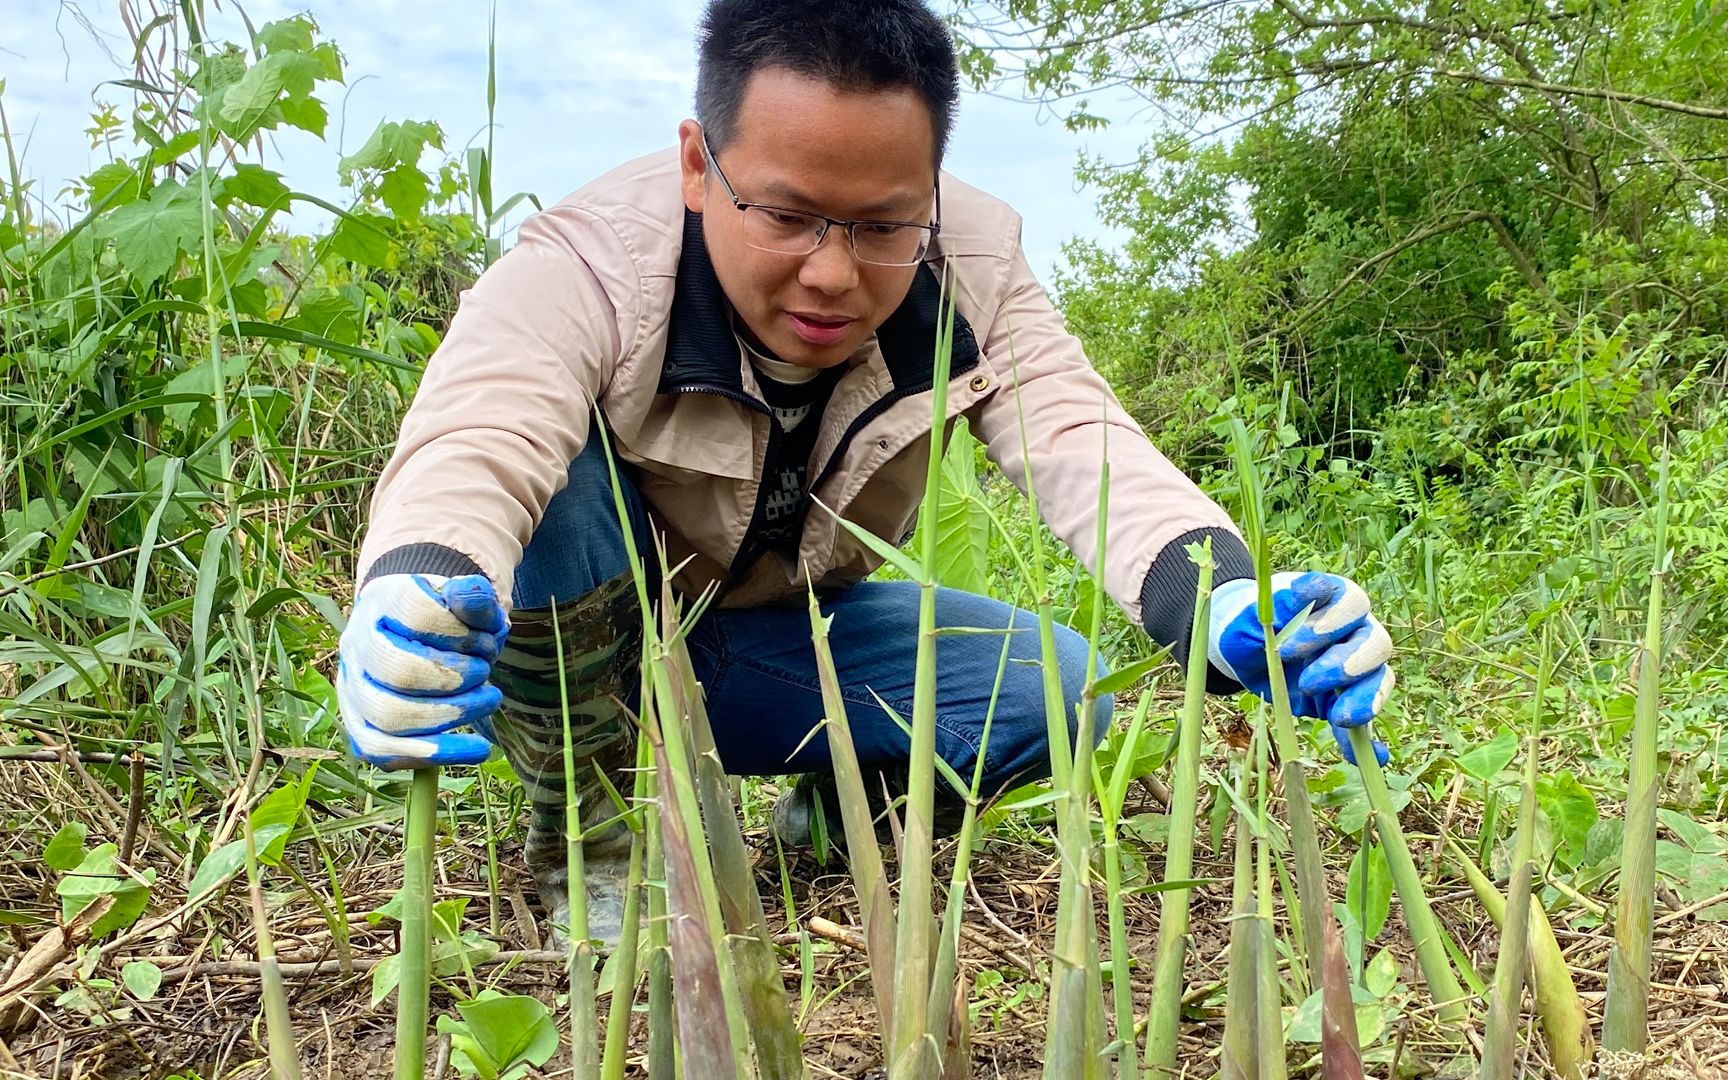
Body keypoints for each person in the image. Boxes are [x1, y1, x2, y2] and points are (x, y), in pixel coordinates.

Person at [335, 0, 1394, 943]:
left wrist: (1224, 596)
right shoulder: (587, 265)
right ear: (700, 166)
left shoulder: (970, 264)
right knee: (555, 467)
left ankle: (835, 814)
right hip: (599, 650)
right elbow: (477, 435)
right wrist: (414, 583)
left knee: (1059, 692)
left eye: (884, 225)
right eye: (788, 217)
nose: (834, 274)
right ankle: (598, 828)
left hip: (767, 645)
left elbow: (1083, 440)